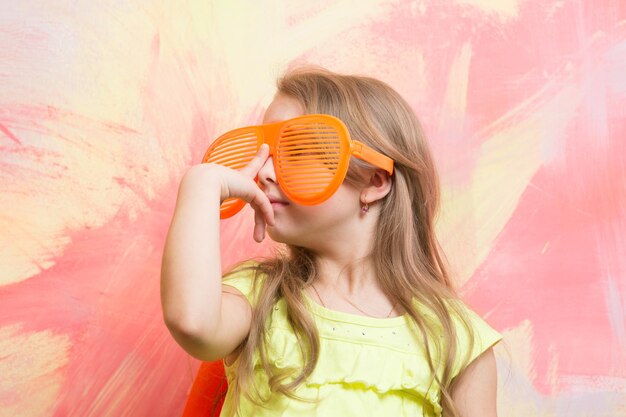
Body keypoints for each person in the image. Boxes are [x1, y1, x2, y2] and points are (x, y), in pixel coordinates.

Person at [160, 65, 504, 417]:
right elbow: (193, 323)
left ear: (373, 182)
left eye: (296, 153)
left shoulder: (455, 338)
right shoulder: (259, 296)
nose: (263, 172)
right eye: (265, 155)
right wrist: (202, 184)